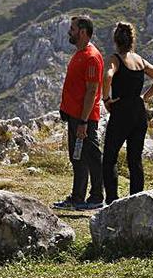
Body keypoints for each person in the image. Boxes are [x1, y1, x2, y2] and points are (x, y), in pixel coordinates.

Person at [101, 22, 153, 204]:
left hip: (121, 110)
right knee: (135, 159)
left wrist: (106, 99)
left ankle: (112, 201)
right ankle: (136, 200)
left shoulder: (114, 59)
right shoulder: (139, 60)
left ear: (115, 40)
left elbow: (107, 76)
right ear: (132, 40)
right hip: (139, 112)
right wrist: (144, 98)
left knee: (110, 156)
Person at [53, 15, 105, 211]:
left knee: (91, 157)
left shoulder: (92, 57)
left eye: (73, 29)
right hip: (75, 117)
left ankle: (97, 197)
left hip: (85, 119)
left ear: (82, 32)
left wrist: (83, 121)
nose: (69, 32)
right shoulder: (80, 53)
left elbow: (92, 91)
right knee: (78, 158)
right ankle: (78, 198)